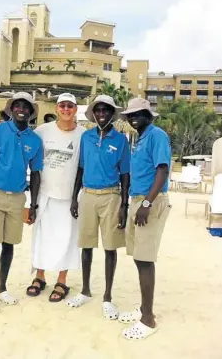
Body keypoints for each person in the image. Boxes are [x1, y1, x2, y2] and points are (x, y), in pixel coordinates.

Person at [0, 92, 43, 315]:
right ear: (11, 109)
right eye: (17, 105)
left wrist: (32, 205)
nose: (21, 109)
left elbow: (35, 174)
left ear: (31, 112)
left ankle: (2, 287)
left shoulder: (34, 140)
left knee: (9, 245)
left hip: (17, 198)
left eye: (26, 106)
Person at [66, 94, 130, 320]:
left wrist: (124, 205)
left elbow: (125, 175)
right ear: (93, 113)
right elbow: (80, 169)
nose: (101, 114)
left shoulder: (121, 140)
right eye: (98, 111)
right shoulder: (86, 137)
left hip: (111, 196)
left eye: (106, 110)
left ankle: (108, 297)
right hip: (88, 195)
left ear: (112, 113)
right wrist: (75, 198)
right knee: (86, 246)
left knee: (110, 248)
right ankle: (85, 290)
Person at [118, 98, 171, 340]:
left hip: (150, 201)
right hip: (138, 200)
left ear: (149, 115)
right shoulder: (140, 138)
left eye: (139, 113)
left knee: (145, 259)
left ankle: (148, 319)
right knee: (139, 259)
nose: (133, 117)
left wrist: (147, 203)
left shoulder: (156, 135)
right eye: (130, 114)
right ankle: (143, 309)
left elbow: (162, 170)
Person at [26, 93, 85, 302]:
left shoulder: (83, 135)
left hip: (69, 197)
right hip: (44, 194)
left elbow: (82, 168)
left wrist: (77, 197)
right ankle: (39, 277)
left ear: (75, 109)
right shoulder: (42, 131)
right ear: (57, 108)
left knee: (67, 239)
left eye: (70, 105)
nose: (66, 109)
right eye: (62, 105)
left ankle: (61, 281)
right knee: (41, 237)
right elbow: (25, 147)